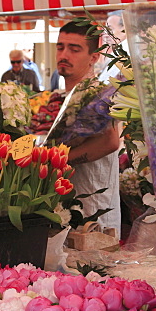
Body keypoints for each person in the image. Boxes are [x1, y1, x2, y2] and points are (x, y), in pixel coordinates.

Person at [47, 20, 122, 234]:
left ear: (94, 57)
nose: (64, 55)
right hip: (66, 209)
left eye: (75, 49)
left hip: (96, 213)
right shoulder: (62, 97)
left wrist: (57, 160)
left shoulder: (97, 94)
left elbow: (110, 142)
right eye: (60, 47)